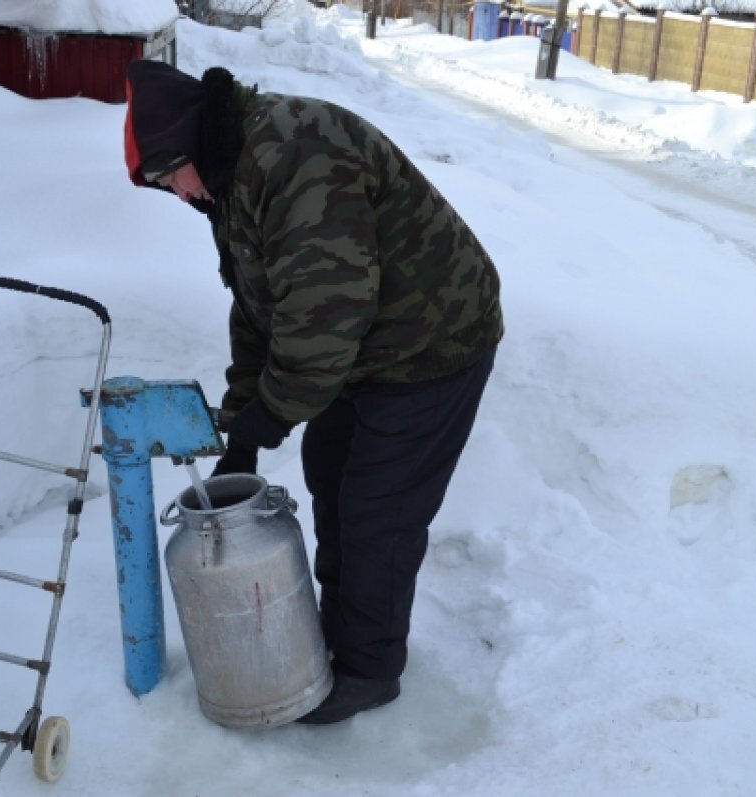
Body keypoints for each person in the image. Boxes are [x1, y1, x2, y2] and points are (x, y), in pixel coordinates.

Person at [123, 60, 503, 725]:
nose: (175, 194)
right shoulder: (231, 175)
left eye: (165, 177)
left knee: (375, 512)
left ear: (184, 145)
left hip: (431, 341)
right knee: (330, 478)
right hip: (362, 350)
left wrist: (268, 417)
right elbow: (261, 307)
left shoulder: (296, 154)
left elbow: (326, 314)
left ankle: (369, 668)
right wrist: (244, 421)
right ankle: (344, 629)